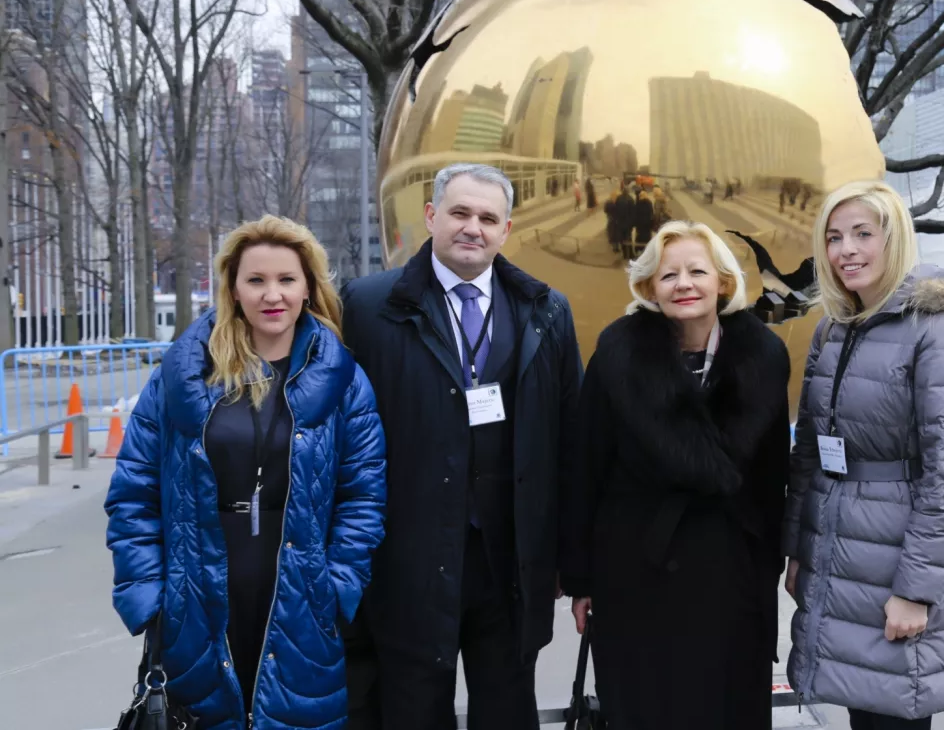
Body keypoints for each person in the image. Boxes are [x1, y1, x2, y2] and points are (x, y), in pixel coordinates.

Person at [104, 215, 388, 729]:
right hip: (197, 595)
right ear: (233, 290)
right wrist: (148, 595)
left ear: (308, 289)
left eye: (286, 279)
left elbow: (363, 494)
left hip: (303, 596)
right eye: (256, 280)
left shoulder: (343, 380)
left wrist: (337, 585)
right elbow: (134, 491)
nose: (271, 294)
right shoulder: (183, 377)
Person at [341, 163, 582, 730]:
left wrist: (573, 561)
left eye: (487, 218)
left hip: (511, 562)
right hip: (408, 557)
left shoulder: (546, 311)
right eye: (459, 213)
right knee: (412, 709)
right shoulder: (369, 308)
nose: (472, 227)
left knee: (506, 708)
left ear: (506, 230)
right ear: (431, 217)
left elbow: (570, 441)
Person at [561, 220, 791, 730]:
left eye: (696, 271)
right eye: (668, 276)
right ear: (649, 287)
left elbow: (774, 475)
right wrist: (580, 578)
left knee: (727, 708)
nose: (683, 284)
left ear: (723, 283)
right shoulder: (618, 354)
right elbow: (586, 467)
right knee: (647, 709)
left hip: (731, 570)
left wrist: (768, 568)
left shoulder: (764, 357)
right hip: (636, 567)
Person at [783, 181, 944, 729]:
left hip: (896, 557)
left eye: (861, 234)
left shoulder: (939, 329)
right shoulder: (834, 327)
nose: (846, 249)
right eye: (833, 237)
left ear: (893, 239)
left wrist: (915, 592)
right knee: (862, 710)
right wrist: (797, 550)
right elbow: (808, 450)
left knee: (893, 716)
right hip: (839, 551)